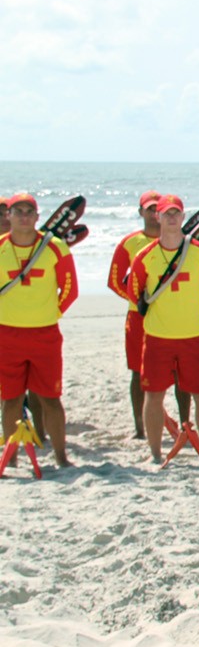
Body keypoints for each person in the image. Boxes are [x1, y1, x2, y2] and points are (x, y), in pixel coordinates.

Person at [127, 195, 199, 464]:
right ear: (156, 217)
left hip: (194, 337)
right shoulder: (145, 256)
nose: (170, 218)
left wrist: (193, 312)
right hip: (157, 337)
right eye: (164, 213)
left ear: (182, 216)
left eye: (175, 213)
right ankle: (155, 454)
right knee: (154, 395)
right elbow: (135, 292)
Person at [0, 192, 78, 467]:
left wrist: (50, 313)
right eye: (17, 211)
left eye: (28, 211)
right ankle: (10, 460)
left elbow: (69, 289)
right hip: (7, 335)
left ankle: (61, 457)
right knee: (10, 400)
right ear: (8, 216)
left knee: (50, 398)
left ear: (37, 216)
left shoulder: (54, 246)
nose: (23, 216)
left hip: (45, 334)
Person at [109, 189, 193, 437]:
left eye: (158, 208)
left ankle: (185, 424)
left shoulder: (183, 243)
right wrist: (140, 301)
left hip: (174, 318)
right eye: (149, 208)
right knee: (138, 372)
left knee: (180, 372)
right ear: (141, 212)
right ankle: (140, 427)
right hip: (139, 318)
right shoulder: (130, 243)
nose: (153, 213)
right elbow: (115, 281)